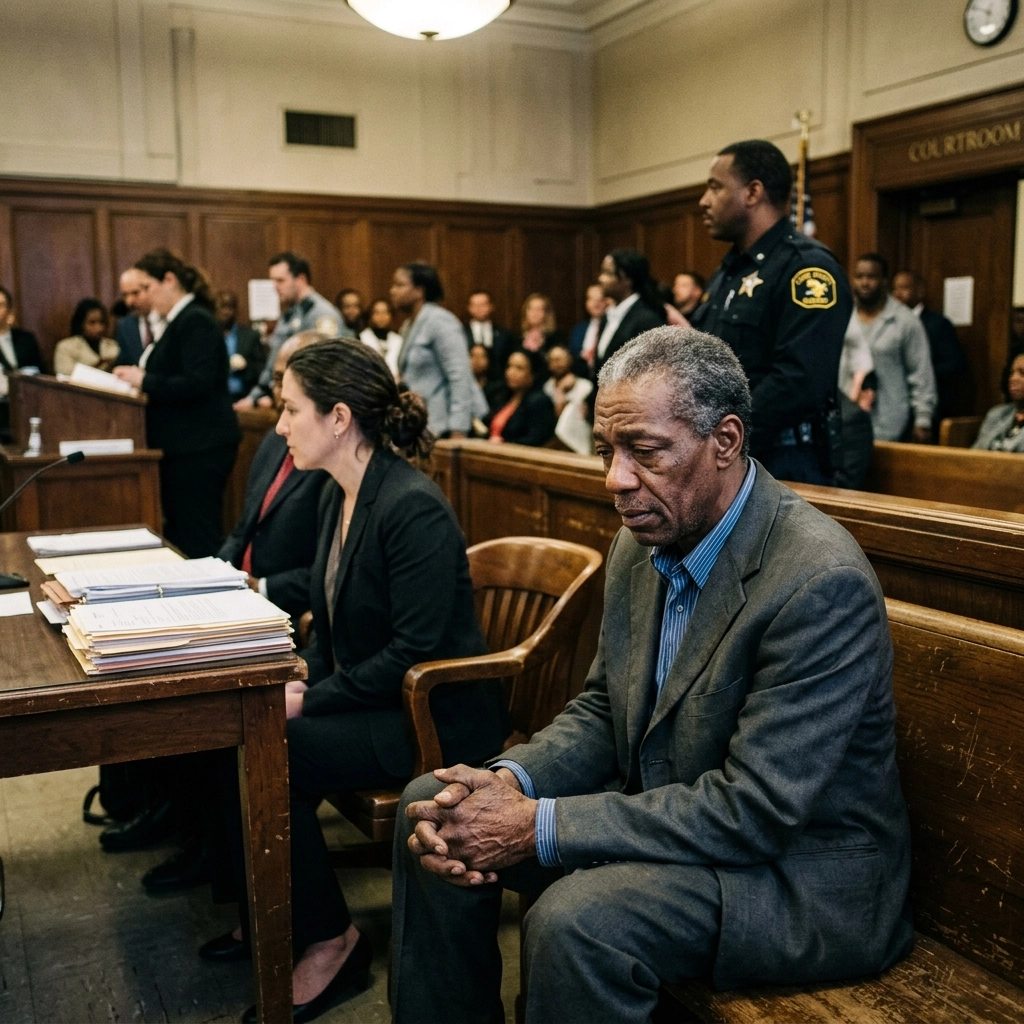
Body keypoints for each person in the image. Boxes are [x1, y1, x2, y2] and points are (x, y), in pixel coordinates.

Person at [392, 326, 913, 1024]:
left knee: (577, 921)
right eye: (606, 451)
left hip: (796, 876)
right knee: (435, 808)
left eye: (644, 451)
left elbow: (754, 811)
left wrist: (538, 824)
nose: (615, 479)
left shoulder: (817, 580)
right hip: (683, 825)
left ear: (725, 440)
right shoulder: (640, 543)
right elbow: (604, 710)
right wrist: (512, 783)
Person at [204, 339, 509, 1023]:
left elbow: (412, 653)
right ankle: (273, 913)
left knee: (273, 750)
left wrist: (310, 697)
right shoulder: (336, 496)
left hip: (432, 717)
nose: (280, 426)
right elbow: (339, 632)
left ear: (339, 417)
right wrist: (297, 676)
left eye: (292, 410)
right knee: (243, 731)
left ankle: (331, 940)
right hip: (379, 698)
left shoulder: (411, 505)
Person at [688, 139, 852, 484]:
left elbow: (799, 381)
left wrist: (717, 436)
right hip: (729, 454)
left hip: (784, 461)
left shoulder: (806, 269)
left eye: (715, 187)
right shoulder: (729, 272)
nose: (704, 201)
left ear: (753, 192)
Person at [113, 249, 241, 558]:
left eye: (147, 287)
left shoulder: (195, 319)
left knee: (197, 534)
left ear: (169, 280)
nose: (144, 296)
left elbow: (198, 382)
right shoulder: (178, 320)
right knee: (183, 533)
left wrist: (144, 380)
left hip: (199, 446)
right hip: (185, 446)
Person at [218, 330, 329, 619]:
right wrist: (218, 572)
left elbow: (329, 568)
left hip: (286, 610)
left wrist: (263, 588)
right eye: (277, 379)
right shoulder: (274, 439)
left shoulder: (329, 459)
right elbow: (243, 528)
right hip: (238, 595)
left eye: (285, 381)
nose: (277, 391)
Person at [846, 254, 936, 443]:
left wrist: (923, 419)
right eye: (859, 276)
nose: (864, 283)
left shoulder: (905, 321)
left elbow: (921, 373)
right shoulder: (842, 316)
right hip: (845, 423)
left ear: (884, 281)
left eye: (871, 277)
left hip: (890, 425)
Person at [239, 252, 346, 410]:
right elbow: (274, 361)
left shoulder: (322, 315)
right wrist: (258, 394)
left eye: (280, 280)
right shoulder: (289, 315)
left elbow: (328, 368)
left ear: (301, 279)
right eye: (273, 281)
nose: (275, 287)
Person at [391, 262, 476, 439]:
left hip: (443, 425)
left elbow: (460, 376)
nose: (393, 290)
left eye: (399, 285)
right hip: (419, 424)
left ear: (419, 291)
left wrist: (458, 428)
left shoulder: (440, 321)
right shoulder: (408, 325)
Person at [891, 270, 967, 425]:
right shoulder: (889, 324)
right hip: (894, 407)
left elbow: (954, 365)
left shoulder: (938, 324)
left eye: (904, 288)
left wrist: (920, 371)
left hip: (928, 406)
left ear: (920, 291)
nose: (898, 294)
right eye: (895, 288)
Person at [593, 249, 666, 379]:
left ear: (626, 279)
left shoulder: (646, 319)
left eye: (607, 273)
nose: (600, 278)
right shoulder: (608, 316)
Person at [485, 349, 557, 447]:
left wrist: (504, 444)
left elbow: (536, 439)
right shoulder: (500, 396)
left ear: (532, 374)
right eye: (509, 366)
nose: (511, 372)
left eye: (519, 368)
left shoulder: (539, 402)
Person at [0, 285, 42, 441]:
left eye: (0, 305)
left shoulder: (26, 339)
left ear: (9, 310)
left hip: (27, 402)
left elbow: (42, 372)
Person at [543, 343, 593, 455]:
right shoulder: (547, 387)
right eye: (552, 360)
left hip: (578, 445)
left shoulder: (585, 387)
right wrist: (560, 391)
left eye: (559, 359)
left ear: (569, 361)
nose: (556, 364)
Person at [214, 290, 264, 400]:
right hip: (215, 398)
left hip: (244, 398)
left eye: (230, 307)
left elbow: (261, 369)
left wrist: (246, 366)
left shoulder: (250, 336)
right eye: (222, 306)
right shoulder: (208, 337)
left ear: (235, 310)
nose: (226, 312)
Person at [972, 347, 1024, 453]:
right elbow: (974, 455)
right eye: (1011, 373)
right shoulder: (996, 415)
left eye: (1022, 373)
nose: (1013, 378)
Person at [53, 299, 119, 376]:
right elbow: (65, 374)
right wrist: (95, 365)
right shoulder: (66, 347)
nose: (99, 328)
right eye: (92, 323)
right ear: (80, 323)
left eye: (101, 322)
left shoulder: (112, 345)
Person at [463, 290, 516, 379]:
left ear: (491, 307)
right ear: (469, 308)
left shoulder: (504, 335)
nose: (479, 309)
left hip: (499, 382)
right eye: (475, 305)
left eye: (483, 305)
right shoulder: (461, 333)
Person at [113, 267, 151, 366]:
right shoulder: (125, 325)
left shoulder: (170, 320)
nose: (129, 302)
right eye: (125, 295)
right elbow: (123, 363)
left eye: (135, 293)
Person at [569, 283, 611, 372]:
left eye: (600, 299)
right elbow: (572, 356)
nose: (596, 303)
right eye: (591, 299)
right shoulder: (579, 329)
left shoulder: (612, 327)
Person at [359, 298, 402, 377]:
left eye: (385, 312)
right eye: (377, 312)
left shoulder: (398, 340)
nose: (381, 316)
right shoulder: (362, 338)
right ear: (370, 316)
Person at [469, 343, 504, 412]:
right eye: (472, 356)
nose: (476, 360)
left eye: (481, 356)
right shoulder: (461, 387)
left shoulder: (497, 389)